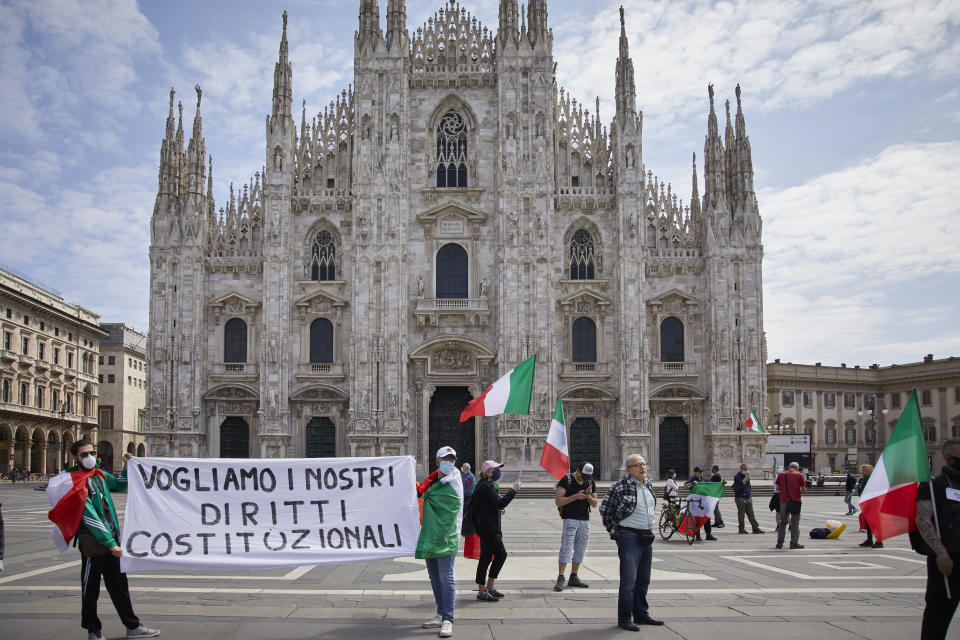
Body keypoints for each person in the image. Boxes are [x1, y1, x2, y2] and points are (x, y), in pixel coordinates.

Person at [68, 440, 160, 640]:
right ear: (76, 457)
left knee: (120, 586)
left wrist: (129, 467)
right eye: (85, 454)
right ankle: (93, 630)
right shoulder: (75, 481)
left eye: (92, 452)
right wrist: (111, 545)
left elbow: (120, 485)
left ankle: (132, 626)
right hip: (94, 545)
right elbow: (89, 517)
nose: (90, 457)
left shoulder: (99, 476)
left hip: (112, 543)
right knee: (90, 590)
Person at [600, 455, 663, 631]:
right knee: (629, 581)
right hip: (628, 537)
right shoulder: (620, 486)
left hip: (646, 536)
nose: (643, 467)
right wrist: (615, 532)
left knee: (644, 579)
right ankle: (625, 617)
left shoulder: (648, 485)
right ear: (628, 469)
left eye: (644, 464)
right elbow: (605, 509)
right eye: (638, 465)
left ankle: (641, 614)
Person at [416, 446, 463, 638]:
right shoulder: (432, 481)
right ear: (437, 462)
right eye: (445, 459)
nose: (449, 462)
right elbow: (419, 493)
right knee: (435, 578)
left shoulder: (454, 480)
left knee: (446, 577)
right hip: (430, 534)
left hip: (447, 535)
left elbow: (452, 505)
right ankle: (440, 613)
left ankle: (448, 619)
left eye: (452, 459)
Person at [916, 439, 960, 640]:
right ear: (949, 459)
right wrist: (941, 553)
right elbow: (923, 520)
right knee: (938, 616)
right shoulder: (935, 486)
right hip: (947, 562)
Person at [470, 460, 520, 602]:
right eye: (495, 469)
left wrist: (496, 510)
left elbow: (490, 504)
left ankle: (490, 586)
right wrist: (513, 490)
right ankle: (481, 591)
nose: (498, 472)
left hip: (491, 527)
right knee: (485, 558)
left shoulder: (488, 485)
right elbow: (500, 502)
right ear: (487, 471)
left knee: (501, 555)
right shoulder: (485, 486)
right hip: (488, 528)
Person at [554, 461, 597, 591]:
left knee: (581, 547)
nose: (585, 478)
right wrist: (575, 496)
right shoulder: (566, 480)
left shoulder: (590, 482)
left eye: (587, 476)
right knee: (566, 546)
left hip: (584, 519)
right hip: (570, 518)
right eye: (583, 475)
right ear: (578, 470)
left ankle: (574, 576)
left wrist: (588, 495)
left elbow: (595, 503)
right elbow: (558, 501)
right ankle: (561, 577)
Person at [775, 461, 807, 549]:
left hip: (784, 501)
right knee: (795, 523)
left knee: (783, 522)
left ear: (789, 467)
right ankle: (794, 543)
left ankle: (780, 542)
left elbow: (777, 488)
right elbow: (804, 490)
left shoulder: (781, 475)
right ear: (797, 468)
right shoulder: (799, 475)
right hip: (795, 501)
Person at [684, 468, 716, 541]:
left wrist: (721, 483)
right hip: (696, 502)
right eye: (700, 472)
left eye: (702, 472)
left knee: (707, 517)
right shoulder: (692, 479)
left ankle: (708, 534)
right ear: (695, 472)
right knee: (697, 518)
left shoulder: (704, 480)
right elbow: (685, 486)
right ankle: (697, 535)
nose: (701, 473)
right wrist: (692, 483)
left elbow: (712, 485)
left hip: (704, 502)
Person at [733, 464, 764, 534]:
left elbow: (748, 486)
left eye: (746, 469)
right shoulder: (737, 476)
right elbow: (742, 483)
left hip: (748, 497)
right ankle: (741, 529)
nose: (746, 471)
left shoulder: (747, 477)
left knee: (751, 514)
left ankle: (755, 528)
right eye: (745, 469)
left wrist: (750, 494)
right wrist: (746, 476)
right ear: (741, 469)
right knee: (741, 514)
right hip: (740, 497)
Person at [858, 464, 881, 548]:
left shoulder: (872, 479)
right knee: (868, 523)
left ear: (870, 471)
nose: (862, 472)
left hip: (873, 503)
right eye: (862, 470)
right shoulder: (862, 480)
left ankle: (879, 541)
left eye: (865, 470)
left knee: (874, 523)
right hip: (865, 503)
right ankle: (869, 540)